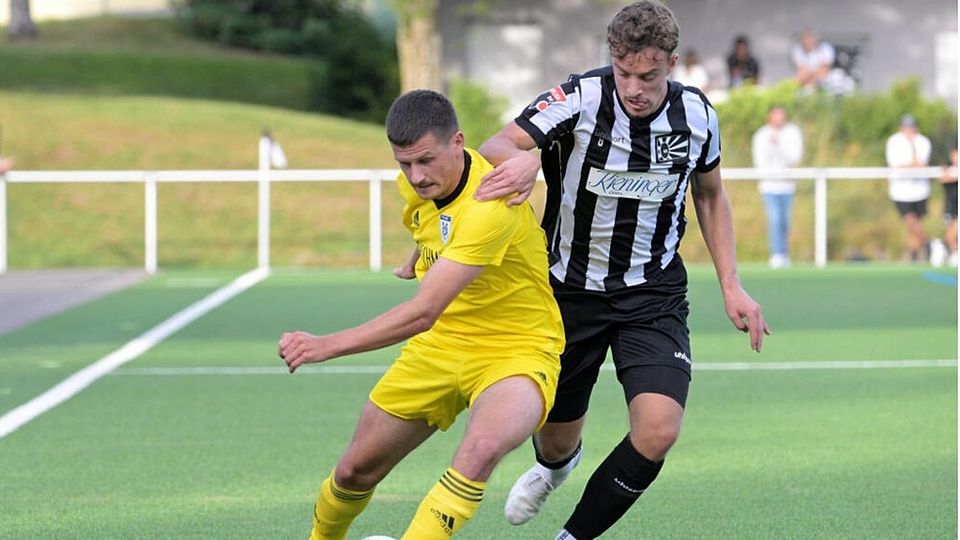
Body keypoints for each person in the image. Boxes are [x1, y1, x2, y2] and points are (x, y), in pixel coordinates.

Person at [474, 2, 770, 539]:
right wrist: (523, 160)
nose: (634, 87)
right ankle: (555, 466)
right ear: (612, 60)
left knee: (657, 431)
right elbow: (498, 144)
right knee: (556, 439)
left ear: (672, 64)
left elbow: (710, 194)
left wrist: (732, 285)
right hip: (567, 290)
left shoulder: (698, 115)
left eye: (648, 75)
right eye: (625, 73)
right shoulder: (580, 97)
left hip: (651, 294)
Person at [278, 89, 565, 540]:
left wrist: (325, 345)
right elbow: (431, 221)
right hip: (442, 346)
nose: (416, 175)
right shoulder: (417, 183)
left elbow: (423, 312)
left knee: (481, 449)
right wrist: (423, 256)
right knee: (354, 471)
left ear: (458, 142)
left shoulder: (494, 203)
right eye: (404, 164)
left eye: (426, 160)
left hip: (518, 349)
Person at [751, 105, 804, 268]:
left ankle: (784, 253)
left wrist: (779, 145)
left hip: (787, 185)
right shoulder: (761, 135)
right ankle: (776, 254)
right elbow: (759, 161)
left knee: (785, 221)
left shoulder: (792, 132)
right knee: (774, 219)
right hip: (769, 185)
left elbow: (794, 158)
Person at [885, 114, 932, 263]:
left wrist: (911, 160)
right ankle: (929, 245)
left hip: (920, 191)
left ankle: (912, 254)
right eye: (906, 127)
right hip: (901, 191)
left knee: (914, 226)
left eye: (912, 127)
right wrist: (911, 164)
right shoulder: (894, 141)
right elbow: (896, 165)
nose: (909, 130)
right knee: (911, 222)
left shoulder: (923, 141)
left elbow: (921, 164)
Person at [937, 147, 958, 267]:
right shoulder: (947, 168)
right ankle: (946, 249)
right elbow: (942, 179)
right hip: (951, 206)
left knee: (954, 231)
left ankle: (952, 251)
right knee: (950, 234)